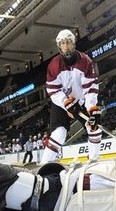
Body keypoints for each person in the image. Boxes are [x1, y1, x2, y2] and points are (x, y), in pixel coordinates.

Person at [40, 29, 102, 163]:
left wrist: (91, 108)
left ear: (74, 44)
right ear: (59, 46)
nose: (66, 47)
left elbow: (90, 88)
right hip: (61, 103)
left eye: (68, 43)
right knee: (59, 133)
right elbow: (53, 90)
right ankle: (44, 165)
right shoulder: (54, 65)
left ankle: (93, 161)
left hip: (81, 101)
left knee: (94, 127)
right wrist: (66, 103)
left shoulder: (85, 61)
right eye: (63, 43)